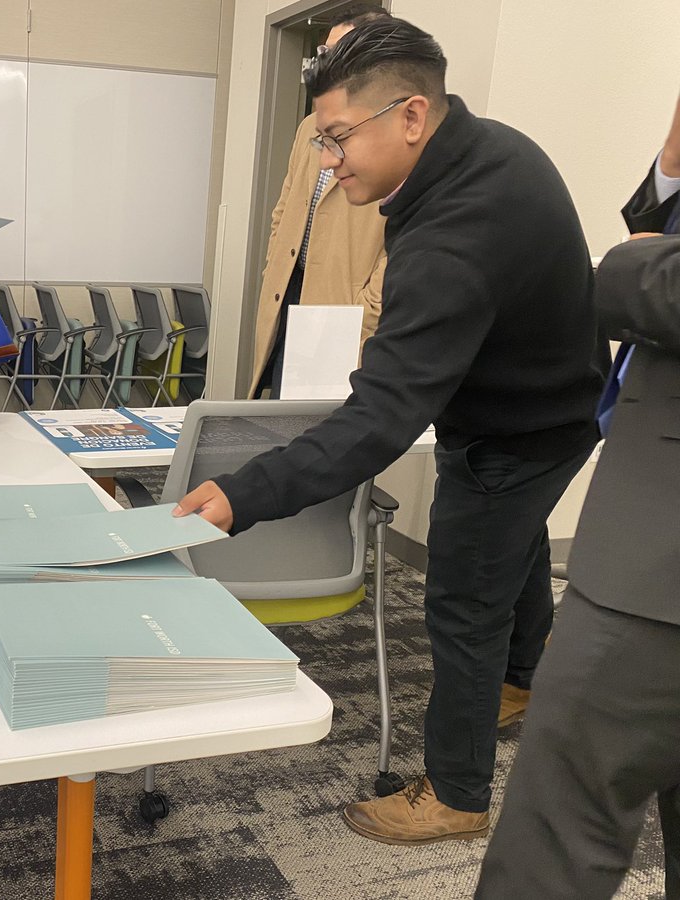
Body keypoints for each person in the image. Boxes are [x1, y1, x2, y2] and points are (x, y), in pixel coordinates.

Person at [173, 18, 608, 845]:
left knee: (461, 598)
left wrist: (243, 492)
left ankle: (457, 794)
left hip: (520, 431)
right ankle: (523, 677)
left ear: (410, 116)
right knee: (508, 552)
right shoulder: (484, 149)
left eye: (338, 140)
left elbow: (377, 423)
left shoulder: (454, 234)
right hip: (553, 404)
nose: (330, 164)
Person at [474, 92, 680, 900]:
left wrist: (627, 268)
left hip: (656, 574)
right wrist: (669, 164)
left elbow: (640, 276)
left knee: (556, 835)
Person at [251, 4, 390, 397]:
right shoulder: (309, 127)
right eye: (325, 53)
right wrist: (274, 266)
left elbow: (405, 240)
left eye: (338, 52)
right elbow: (285, 208)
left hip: (342, 305)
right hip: (290, 290)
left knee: (320, 423)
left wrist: (366, 309)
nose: (327, 64)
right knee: (275, 407)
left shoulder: (393, 134)